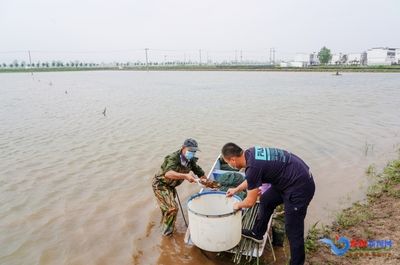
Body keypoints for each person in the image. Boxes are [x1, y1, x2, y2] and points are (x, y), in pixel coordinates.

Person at [222, 143, 315, 265]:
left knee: (293, 230)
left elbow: (250, 202)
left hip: (299, 186)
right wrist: (236, 189)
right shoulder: (251, 153)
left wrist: (237, 205)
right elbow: (252, 180)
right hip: (288, 179)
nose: (230, 165)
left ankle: (297, 262)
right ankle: (257, 233)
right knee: (266, 200)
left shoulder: (252, 168)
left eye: (229, 163)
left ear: (233, 160)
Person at [152, 138, 206, 236]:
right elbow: (168, 174)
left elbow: (200, 173)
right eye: (190, 150)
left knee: (167, 209)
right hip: (161, 184)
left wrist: (207, 183)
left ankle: (163, 224)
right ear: (183, 148)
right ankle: (167, 235)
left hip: (171, 186)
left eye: (194, 151)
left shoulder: (190, 160)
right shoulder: (173, 158)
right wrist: (185, 176)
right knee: (172, 208)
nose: (192, 153)